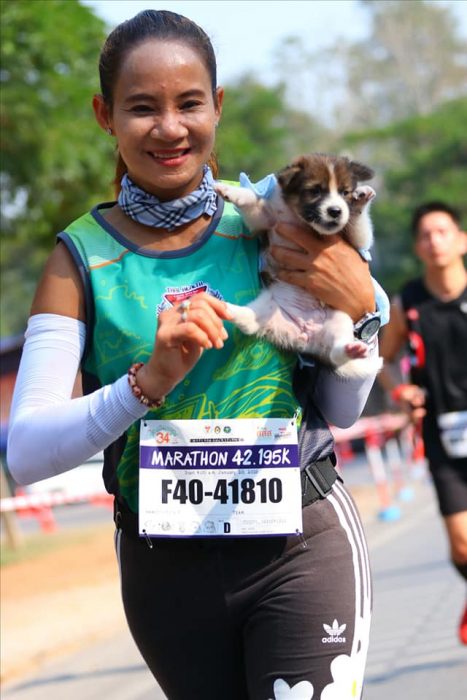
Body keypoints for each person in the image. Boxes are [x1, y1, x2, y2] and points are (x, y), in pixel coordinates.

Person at [7, 10, 388, 699]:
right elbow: (27, 452)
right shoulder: (78, 260)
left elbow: (340, 408)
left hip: (299, 549)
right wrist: (145, 383)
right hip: (164, 575)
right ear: (105, 115)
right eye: (141, 107)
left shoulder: (275, 224)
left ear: (218, 106)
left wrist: (362, 308)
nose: (170, 127)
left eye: (189, 103)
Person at [377, 201, 467, 645]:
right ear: (417, 247)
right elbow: (383, 359)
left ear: (462, 240)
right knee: (462, 544)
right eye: (426, 235)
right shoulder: (408, 302)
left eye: (443, 232)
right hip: (444, 437)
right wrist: (401, 392)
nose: (435, 241)